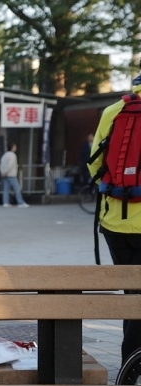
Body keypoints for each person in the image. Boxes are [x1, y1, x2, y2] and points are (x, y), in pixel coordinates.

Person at [88, 65, 141, 368]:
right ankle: (132, 367)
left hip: (115, 223)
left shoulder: (114, 110)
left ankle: (129, 366)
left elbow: (94, 165)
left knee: (132, 293)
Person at [0, 142, 29, 207]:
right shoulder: (13, 155)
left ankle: (5, 202)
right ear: (12, 148)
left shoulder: (4, 155)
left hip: (5, 174)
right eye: (15, 147)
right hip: (11, 174)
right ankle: (20, 202)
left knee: (6, 189)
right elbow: (10, 165)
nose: (16, 148)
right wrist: (6, 171)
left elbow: (1, 164)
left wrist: (2, 172)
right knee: (17, 189)